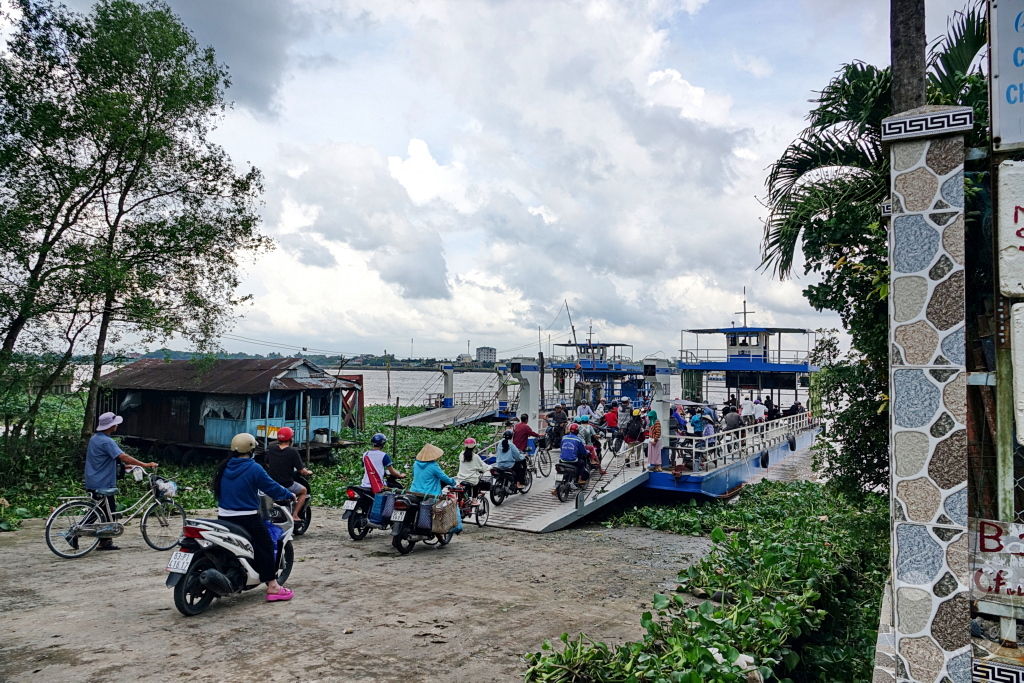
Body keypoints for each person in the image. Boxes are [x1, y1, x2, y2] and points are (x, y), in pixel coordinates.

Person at [214, 433, 296, 601]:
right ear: (251, 450)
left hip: (223, 517)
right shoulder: (254, 468)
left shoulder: (224, 466)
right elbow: (272, 487)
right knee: (265, 544)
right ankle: (273, 586)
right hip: (246, 518)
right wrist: (289, 494)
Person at [84, 412, 158, 550]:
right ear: (110, 426)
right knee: (102, 512)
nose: (117, 425)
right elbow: (123, 456)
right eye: (115, 423)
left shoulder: (95, 439)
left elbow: (105, 460)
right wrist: (145, 464)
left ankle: (105, 542)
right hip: (103, 482)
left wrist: (129, 467)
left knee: (105, 513)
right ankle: (74, 534)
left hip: (92, 479)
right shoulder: (107, 441)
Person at [267, 427, 312, 517]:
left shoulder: (272, 449)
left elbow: (267, 462)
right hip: (287, 484)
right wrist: (309, 472)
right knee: (303, 491)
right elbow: (302, 471)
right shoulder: (292, 452)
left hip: (272, 484)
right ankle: (295, 515)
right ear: (290, 438)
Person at [555, 423, 590, 489]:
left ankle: (557, 488)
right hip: (573, 461)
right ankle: (579, 479)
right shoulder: (578, 440)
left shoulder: (564, 438)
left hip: (562, 460)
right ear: (577, 431)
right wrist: (587, 452)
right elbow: (583, 451)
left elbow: (561, 447)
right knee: (582, 463)